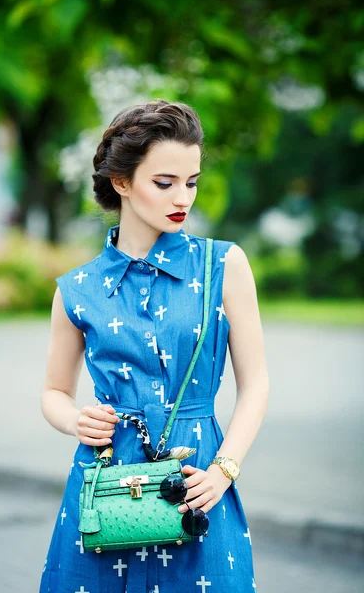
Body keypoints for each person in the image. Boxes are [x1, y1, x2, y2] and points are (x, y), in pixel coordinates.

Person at [39, 99, 269, 593]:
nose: (181, 197)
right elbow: (53, 392)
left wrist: (224, 470)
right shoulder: (77, 289)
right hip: (107, 487)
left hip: (199, 484)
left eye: (191, 182)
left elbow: (257, 385)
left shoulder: (224, 266)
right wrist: (74, 418)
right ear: (121, 182)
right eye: (164, 183)